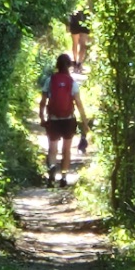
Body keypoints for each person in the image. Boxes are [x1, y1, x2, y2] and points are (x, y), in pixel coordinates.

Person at [39, 53, 89, 188]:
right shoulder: (72, 82)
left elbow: (43, 102)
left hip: (53, 119)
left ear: (57, 65)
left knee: (52, 148)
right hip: (68, 120)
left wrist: (42, 118)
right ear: (69, 66)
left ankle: (52, 173)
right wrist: (84, 122)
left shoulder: (50, 80)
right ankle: (64, 177)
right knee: (66, 149)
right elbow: (78, 103)